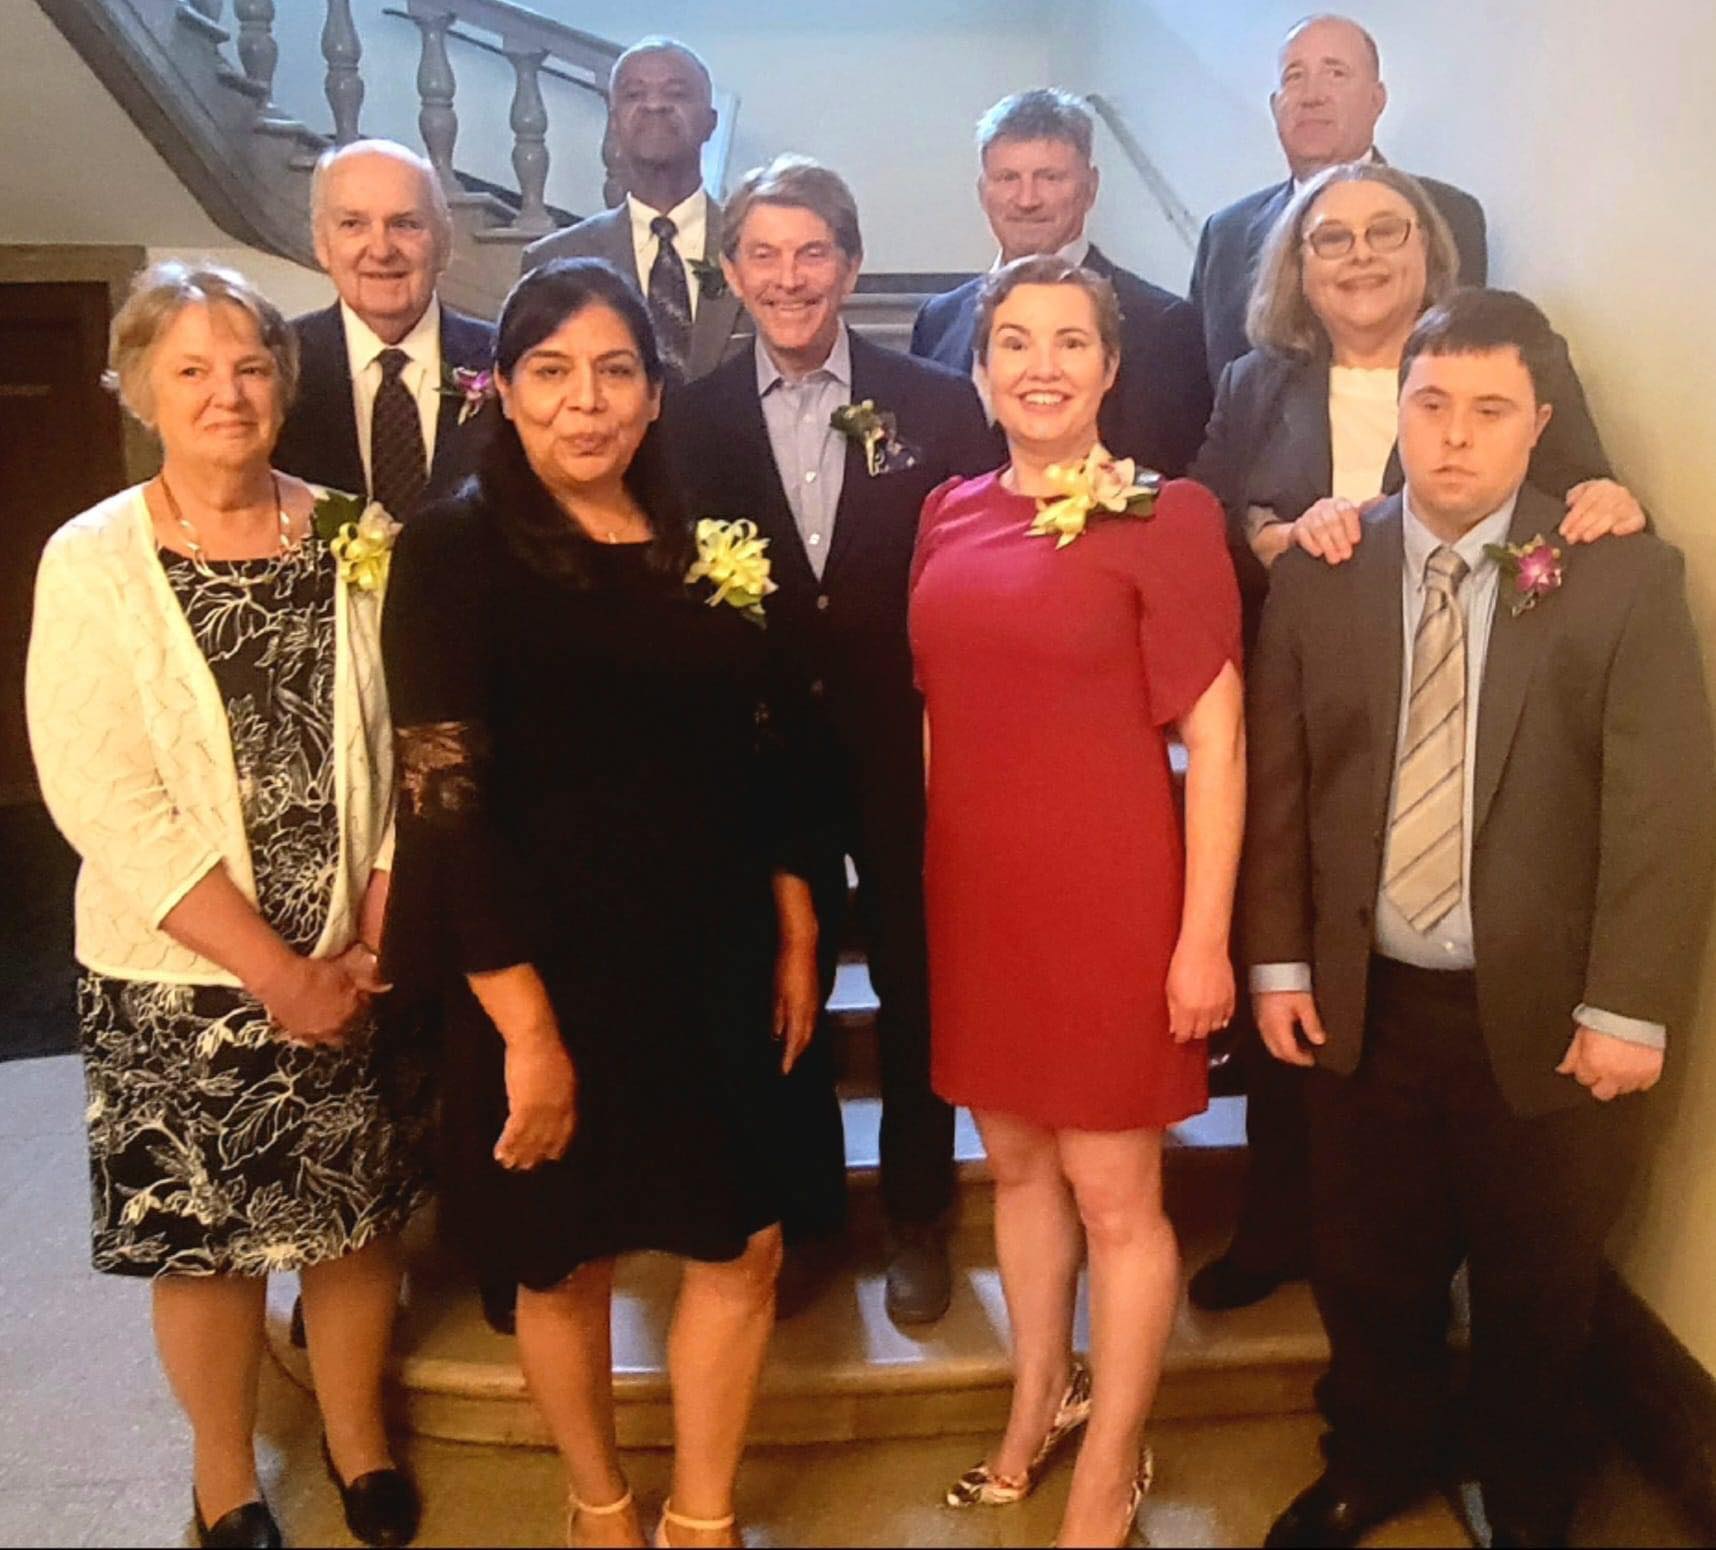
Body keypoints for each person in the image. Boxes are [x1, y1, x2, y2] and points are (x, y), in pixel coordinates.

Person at [1244, 288, 1716, 1550]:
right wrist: (1281, 960)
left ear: (1538, 424)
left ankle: (1527, 1486)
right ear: (1396, 410)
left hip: (1549, 1010)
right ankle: (1376, 1454)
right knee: (1368, 1269)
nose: (1454, 435)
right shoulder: (1328, 572)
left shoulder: (1616, 574)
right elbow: (1283, 786)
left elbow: (1661, 811)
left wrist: (1628, 1006)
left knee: (1537, 1282)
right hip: (1368, 996)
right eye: (1431, 403)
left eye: (1489, 409)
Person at [381, 258, 820, 1550]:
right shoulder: (455, 544)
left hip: (713, 960)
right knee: (561, 1263)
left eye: (616, 371)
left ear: (653, 394)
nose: (587, 403)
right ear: (504, 391)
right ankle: (601, 1504)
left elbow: (766, 742)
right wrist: (525, 1028)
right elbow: (445, 801)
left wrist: (795, 919)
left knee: (740, 1247)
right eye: (554, 373)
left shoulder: (699, 538)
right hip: (543, 969)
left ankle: (703, 1513)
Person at [1188, 162, 1645, 1315]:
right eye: (1329, 237)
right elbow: (1205, 516)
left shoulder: (1498, 362)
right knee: (1303, 990)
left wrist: (1611, 500)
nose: (1357, 255)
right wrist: (1268, 532)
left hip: (1471, 693)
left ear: (1428, 247)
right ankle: (1280, 1220)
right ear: (1297, 264)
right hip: (1312, 691)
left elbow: (1578, 485)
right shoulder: (1256, 379)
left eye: (1384, 232)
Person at [24, 261, 426, 1550]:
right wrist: (273, 967)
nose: (226, 392)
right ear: (138, 389)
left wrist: (369, 929)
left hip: (352, 958)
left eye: (249, 364)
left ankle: (357, 1438)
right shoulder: (92, 558)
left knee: (352, 1223)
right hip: (179, 972)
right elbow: (101, 791)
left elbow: (408, 744)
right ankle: (225, 1474)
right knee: (205, 1244)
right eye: (189, 369)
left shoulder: (361, 535)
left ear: (283, 381)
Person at [909, 255, 1244, 1548]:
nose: (1039, 364)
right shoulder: (948, 512)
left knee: (1119, 1198)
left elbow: (1218, 740)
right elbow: (941, 711)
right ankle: (1039, 1392)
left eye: (1068, 341)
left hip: (1114, 901)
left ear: (1111, 367)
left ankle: (1112, 1456)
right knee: (1021, 1172)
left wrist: (1202, 935)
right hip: (982, 897)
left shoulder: (1169, 513)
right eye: (1012, 341)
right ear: (982, 367)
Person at [666, 156, 995, 1326]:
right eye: (764, 253)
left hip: (906, 746)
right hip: (758, 759)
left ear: (851, 267)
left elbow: (978, 573)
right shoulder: (688, 418)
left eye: (813, 253)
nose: (789, 277)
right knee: (777, 979)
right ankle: (804, 1211)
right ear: (734, 270)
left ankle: (917, 1214)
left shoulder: (938, 403)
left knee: (916, 980)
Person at [910, 88, 1209, 478]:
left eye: (1049, 177)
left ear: (1090, 187)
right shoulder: (939, 321)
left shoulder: (1163, 326)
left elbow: (1167, 477)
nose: (1027, 199)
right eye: (1007, 178)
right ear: (983, 192)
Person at [1190, 13, 1488, 386]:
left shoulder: (1450, 216)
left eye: (1335, 73)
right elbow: (1199, 391)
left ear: (1376, 100)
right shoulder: (1226, 235)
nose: (1312, 96)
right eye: (1294, 77)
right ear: (1274, 106)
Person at [273, 139, 497, 521]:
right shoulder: (275, 367)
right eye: (353, 224)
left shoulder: (506, 361)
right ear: (321, 244)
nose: (380, 249)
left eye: (405, 224)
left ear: (443, 242)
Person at [522, 38, 744, 380]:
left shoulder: (754, 251)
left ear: (710, 123)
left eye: (676, 93)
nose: (654, 105)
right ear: (614, 121)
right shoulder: (555, 260)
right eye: (634, 94)